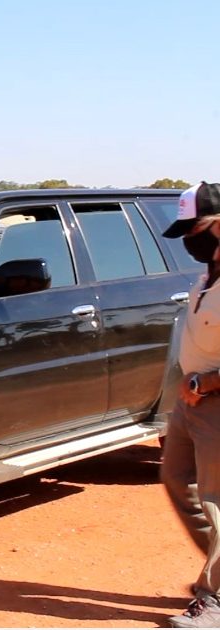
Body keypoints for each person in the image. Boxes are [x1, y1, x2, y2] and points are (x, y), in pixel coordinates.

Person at [160, 181, 220, 628]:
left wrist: (208, 381)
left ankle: (214, 597)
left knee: (217, 498)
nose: (189, 240)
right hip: (190, 399)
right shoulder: (210, 273)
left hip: (214, 398)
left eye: (196, 228)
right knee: (177, 479)